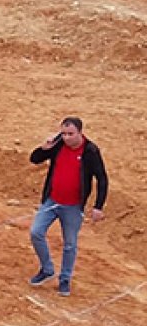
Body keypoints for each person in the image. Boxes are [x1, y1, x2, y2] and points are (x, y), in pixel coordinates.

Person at [27, 117, 108, 296]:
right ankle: (47, 269)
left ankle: (65, 279)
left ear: (80, 132)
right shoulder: (57, 145)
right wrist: (44, 148)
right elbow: (34, 159)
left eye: (70, 134)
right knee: (36, 232)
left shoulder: (90, 151)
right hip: (52, 200)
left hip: (73, 206)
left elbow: (102, 178)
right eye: (63, 133)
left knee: (70, 244)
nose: (66, 138)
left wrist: (98, 206)